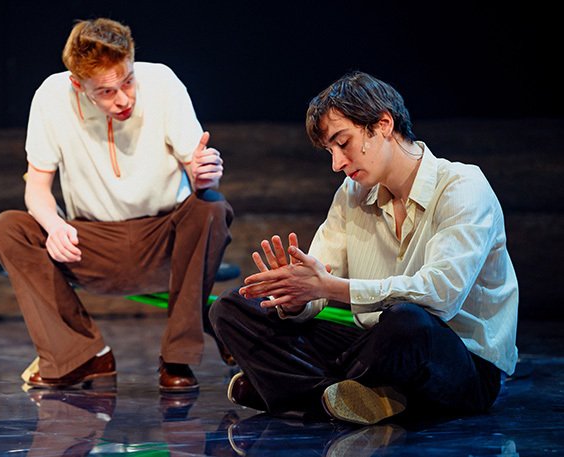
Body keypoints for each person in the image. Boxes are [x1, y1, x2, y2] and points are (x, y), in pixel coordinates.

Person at [209, 71, 518, 424]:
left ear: (383, 124)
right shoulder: (351, 194)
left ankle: (294, 391)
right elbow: (319, 279)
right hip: (372, 348)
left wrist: (330, 288)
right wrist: (295, 298)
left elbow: (441, 295)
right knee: (229, 309)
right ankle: (348, 397)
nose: (337, 163)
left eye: (344, 143)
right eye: (330, 151)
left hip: (457, 361)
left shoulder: (463, 186)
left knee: (407, 322)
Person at [0, 18, 234, 393]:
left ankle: (177, 357)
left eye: (128, 82)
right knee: (7, 228)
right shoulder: (51, 96)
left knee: (211, 206)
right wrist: (55, 226)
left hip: (164, 239)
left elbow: (200, 175)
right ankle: (83, 355)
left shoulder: (163, 81)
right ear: (78, 85)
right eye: (105, 91)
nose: (123, 99)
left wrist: (204, 177)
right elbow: (36, 188)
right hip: (92, 243)